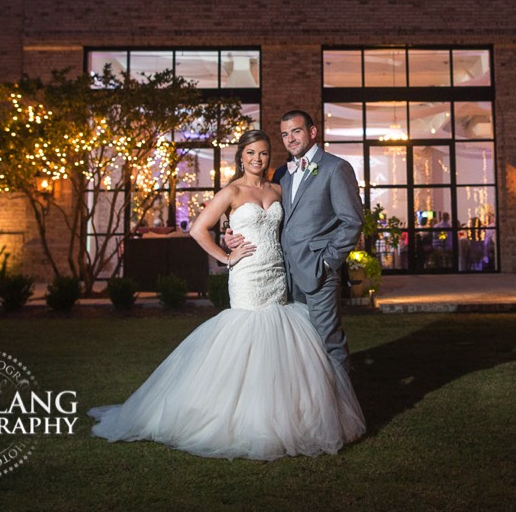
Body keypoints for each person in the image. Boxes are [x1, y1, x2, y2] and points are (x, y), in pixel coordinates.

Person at [89, 130, 364, 460]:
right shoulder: (231, 191)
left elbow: (296, 225)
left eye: (263, 153)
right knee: (247, 335)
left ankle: (284, 412)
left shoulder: (279, 187)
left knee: (281, 339)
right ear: (241, 156)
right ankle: (235, 414)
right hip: (247, 273)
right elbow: (197, 228)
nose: (257, 159)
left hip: (277, 272)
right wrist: (225, 254)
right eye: (250, 153)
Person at [228, 110, 363, 373]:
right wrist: (229, 229)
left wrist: (328, 261)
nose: (290, 139)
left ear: (312, 132)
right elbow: (265, 214)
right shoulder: (281, 174)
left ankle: (340, 408)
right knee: (301, 344)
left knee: (329, 341)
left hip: (319, 272)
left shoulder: (336, 168)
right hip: (283, 277)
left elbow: (352, 221)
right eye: (285, 134)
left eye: (296, 131)